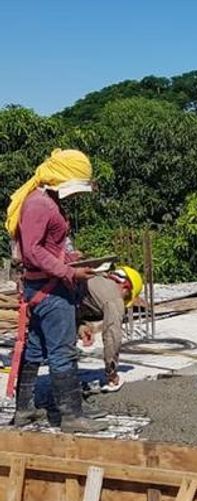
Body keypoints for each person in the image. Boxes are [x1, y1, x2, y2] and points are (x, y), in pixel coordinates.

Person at [6, 149, 107, 432]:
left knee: (35, 348)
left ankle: (25, 409)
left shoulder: (44, 201)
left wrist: (71, 259)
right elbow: (33, 251)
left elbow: (45, 248)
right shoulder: (40, 205)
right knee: (62, 352)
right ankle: (71, 416)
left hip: (42, 287)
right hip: (50, 291)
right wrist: (69, 272)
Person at [77, 266, 144, 393]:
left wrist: (81, 327)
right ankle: (67, 398)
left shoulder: (96, 279)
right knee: (62, 355)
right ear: (126, 287)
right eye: (126, 297)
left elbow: (69, 307)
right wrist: (111, 372)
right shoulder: (114, 298)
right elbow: (112, 336)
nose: (123, 301)